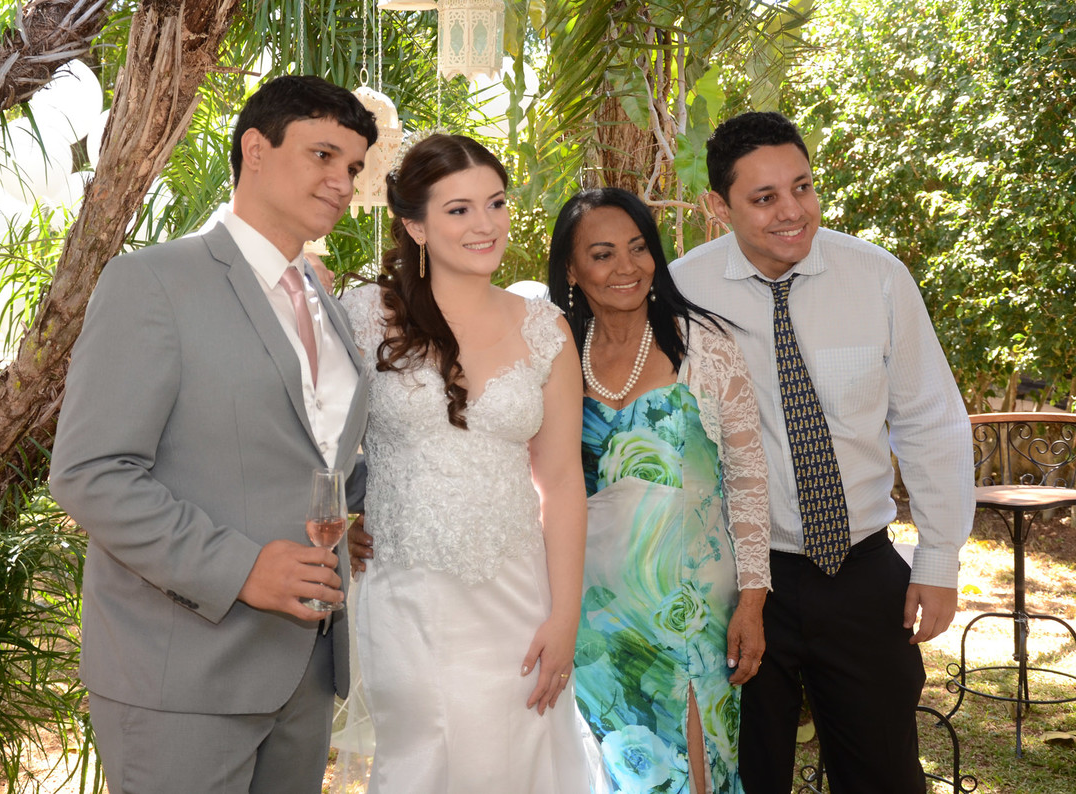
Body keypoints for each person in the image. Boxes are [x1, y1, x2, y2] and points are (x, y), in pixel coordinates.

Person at [49, 75, 377, 793]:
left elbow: (319, 456)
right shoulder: (152, 282)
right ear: (255, 150)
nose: (343, 182)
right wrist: (242, 568)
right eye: (323, 155)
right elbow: (90, 473)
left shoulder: (324, 301)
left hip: (306, 672)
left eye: (353, 167)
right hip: (181, 674)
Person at [671, 111, 974, 794]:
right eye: (765, 197)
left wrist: (938, 558)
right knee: (748, 777)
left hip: (863, 573)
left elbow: (929, 419)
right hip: (737, 584)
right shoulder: (682, 294)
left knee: (884, 775)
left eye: (802, 187)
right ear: (718, 207)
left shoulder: (877, 278)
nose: (792, 211)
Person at [340, 134, 589, 792]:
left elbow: (563, 482)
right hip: (408, 599)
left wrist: (564, 617)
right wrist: (344, 517)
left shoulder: (546, 329)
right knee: (423, 761)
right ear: (415, 225)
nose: (486, 224)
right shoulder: (364, 315)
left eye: (496, 203)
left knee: (518, 765)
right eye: (459, 209)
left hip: (519, 601)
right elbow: (311, 439)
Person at [547, 187, 771, 794]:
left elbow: (749, 482)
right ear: (572, 269)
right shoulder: (554, 357)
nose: (627, 266)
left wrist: (752, 602)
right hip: (589, 616)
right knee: (610, 774)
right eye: (602, 254)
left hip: (690, 610)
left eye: (639, 247)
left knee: (692, 773)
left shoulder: (706, 349)